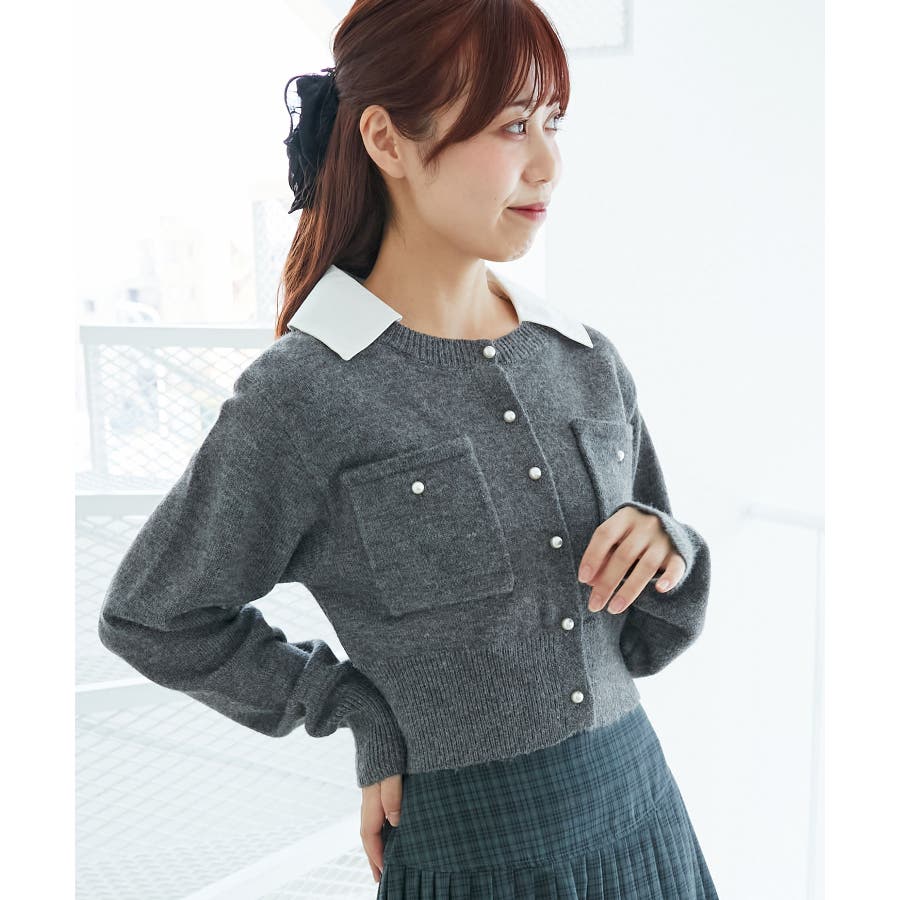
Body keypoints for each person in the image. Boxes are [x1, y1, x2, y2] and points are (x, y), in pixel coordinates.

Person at [99, 1, 719, 896]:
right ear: (387, 140)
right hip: (472, 857)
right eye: (511, 125)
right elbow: (152, 615)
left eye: (553, 122)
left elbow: (648, 640)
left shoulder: (585, 362)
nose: (547, 163)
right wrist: (350, 706)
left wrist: (671, 546)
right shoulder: (305, 394)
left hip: (647, 830)